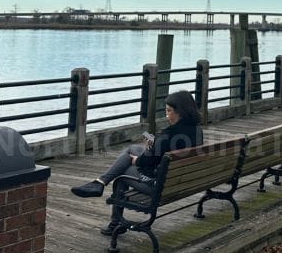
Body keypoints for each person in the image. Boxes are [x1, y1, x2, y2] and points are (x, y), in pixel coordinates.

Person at [70, 90, 203, 236]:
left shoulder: (169, 134)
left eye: (169, 111)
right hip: (183, 180)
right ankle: (99, 183)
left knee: (123, 172)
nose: (167, 115)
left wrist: (137, 160)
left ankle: (114, 220)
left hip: (159, 186)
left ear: (181, 112)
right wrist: (154, 146)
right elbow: (165, 153)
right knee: (132, 149)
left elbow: (146, 162)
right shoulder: (197, 129)